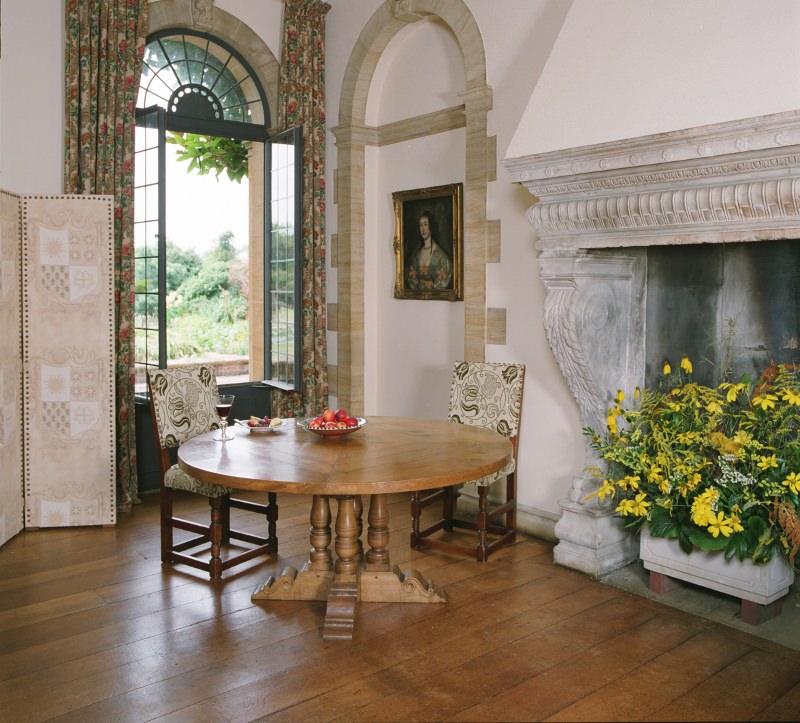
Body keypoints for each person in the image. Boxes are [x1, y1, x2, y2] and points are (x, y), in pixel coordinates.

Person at [407, 210, 453, 290]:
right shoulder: (417, 255)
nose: (423, 229)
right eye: (420, 225)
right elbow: (412, 279)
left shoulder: (440, 256)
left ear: (431, 226)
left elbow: (444, 279)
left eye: (425, 224)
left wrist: (433, 285)